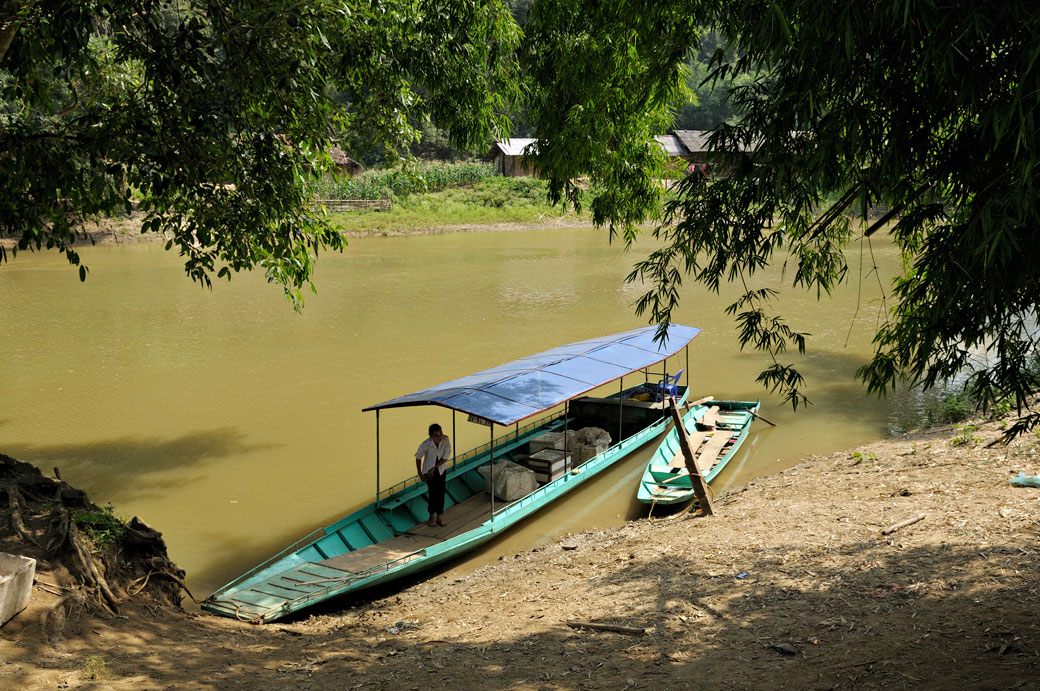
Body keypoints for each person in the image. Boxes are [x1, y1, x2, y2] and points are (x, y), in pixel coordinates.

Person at [415, 423, 451, 527]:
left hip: (440, 470)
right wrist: (420, 473)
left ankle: (439, 516)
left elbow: (445, 457)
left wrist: (434, 467)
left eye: (440, 434)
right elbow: (418, 457)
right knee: (433, 493)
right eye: (436, 435)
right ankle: (432, 516)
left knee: (441, 492)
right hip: (428, 473)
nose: (439, 437)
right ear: (431, 435)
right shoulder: (426, 444)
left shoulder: (446, 440)